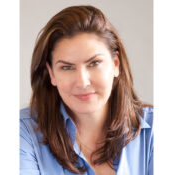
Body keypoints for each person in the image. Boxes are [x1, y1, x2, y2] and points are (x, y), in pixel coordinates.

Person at [20, 5, 153, 175]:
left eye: (94, 63)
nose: (82, 82)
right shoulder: (21, 134)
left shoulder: (157, 130)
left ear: (115, 64)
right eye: (67, 67)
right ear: (52, 73)